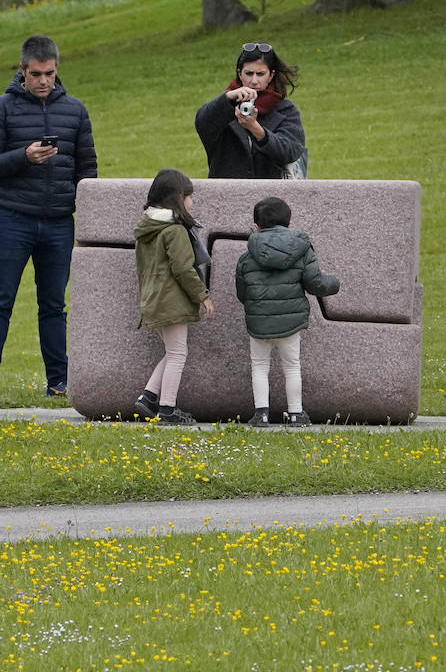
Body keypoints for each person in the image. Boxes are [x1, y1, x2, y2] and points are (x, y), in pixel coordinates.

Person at [0, 35, 97, 397]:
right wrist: (23, 157)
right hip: (12, 218)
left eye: (50, 74)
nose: (44, 81)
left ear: (57, 70)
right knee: (1, 298)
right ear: (22, 70)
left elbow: (87, 170)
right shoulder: (0, 109)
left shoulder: (75, 111)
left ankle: (58, 381)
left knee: (54, 305)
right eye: (36, 74)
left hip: (59, 222)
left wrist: (85, 215)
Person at [235, 196, 339, 427]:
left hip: (259, 321)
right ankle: (295, 414)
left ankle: (261, 414)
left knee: (259, 366)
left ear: (256, 226)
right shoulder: (301, 250)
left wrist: (256, 307)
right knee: (292, 366)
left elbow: (242, 292)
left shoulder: (247, 257)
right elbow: (315, 284)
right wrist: (335, 283)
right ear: (288, 223)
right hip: (291, 322)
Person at [134, 169, 214, 426]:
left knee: (173, 351)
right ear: (178, 198)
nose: (192, 202)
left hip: (153, 298)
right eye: (189, 196)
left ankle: (148, 397)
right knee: (178, 353)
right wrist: (202, 295)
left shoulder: (148, 228)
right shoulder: (175, 230)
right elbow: (183, 269)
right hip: (171, 299)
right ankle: (167, 408)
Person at [195, 41, 307, 179]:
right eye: (249, 73)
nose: (254, 81)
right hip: (228, 190)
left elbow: (291, 151)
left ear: (271, 76)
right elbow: (202, 123)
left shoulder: (285, 110)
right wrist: (228, 97)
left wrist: (256, 129)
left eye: (260, 74)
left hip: (272, 190)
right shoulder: (224, 107)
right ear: (240, 74)